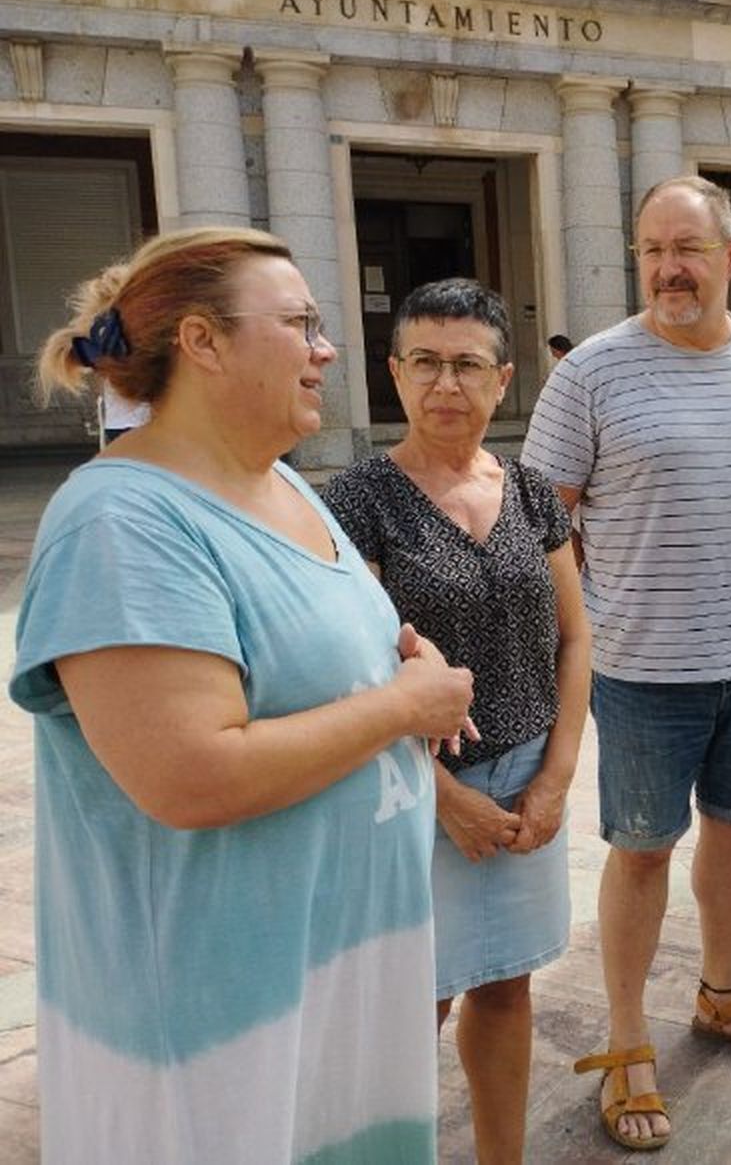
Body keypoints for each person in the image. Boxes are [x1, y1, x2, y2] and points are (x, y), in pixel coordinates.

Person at [9, 227, 476, 1161]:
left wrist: (399, 674)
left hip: (337, 1008)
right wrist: (403, 707)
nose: (326, 349)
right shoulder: (122, 523)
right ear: (203, 342)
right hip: (215, 1047)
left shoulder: (287, 488)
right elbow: (194, 775)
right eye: (300, 322)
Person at [521, 175, 731, 1151]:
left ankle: (722, 995)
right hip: (643, 671)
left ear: (730, 257)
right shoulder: (591, 374)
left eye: (687, 249)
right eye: (652, 250)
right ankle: (626, 1038)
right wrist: (610, 614)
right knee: (643, 849)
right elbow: (544, 523)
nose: (668, 269)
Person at [322, 279, 590, 1165]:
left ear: (503, 379)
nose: (447, 384)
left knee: (506, 985)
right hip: (408, 791)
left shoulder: (531, 493)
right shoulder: (358, 502)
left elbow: (575, 637)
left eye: (468, 365)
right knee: (416, 999)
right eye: (426, 363)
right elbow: (351, 678)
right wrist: (445, 799)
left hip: (526, 785)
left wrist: (556, 778)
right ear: (395, 373)